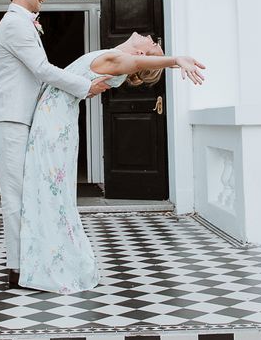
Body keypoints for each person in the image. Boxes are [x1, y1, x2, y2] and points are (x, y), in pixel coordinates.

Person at [19, 34, 205, 294]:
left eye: (152, 44)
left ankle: (55, 265)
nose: (150, 37)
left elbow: (137, 65)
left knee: (51, 196)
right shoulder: (115, 57)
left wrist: (175, 59)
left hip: (53, 125)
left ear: (140, 56)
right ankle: (46, 260)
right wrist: (170, 62)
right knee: (50, 194)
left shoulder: (118, 60)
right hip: (54, 122)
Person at [0, 0, 112, 289]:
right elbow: (41, 69)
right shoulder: (15, 24)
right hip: (10, 117)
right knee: (15, 197)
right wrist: (85, 86)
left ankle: (30, 262)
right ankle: (16, 269)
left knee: (28, 193)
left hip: (25, 117)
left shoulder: (24, 23)